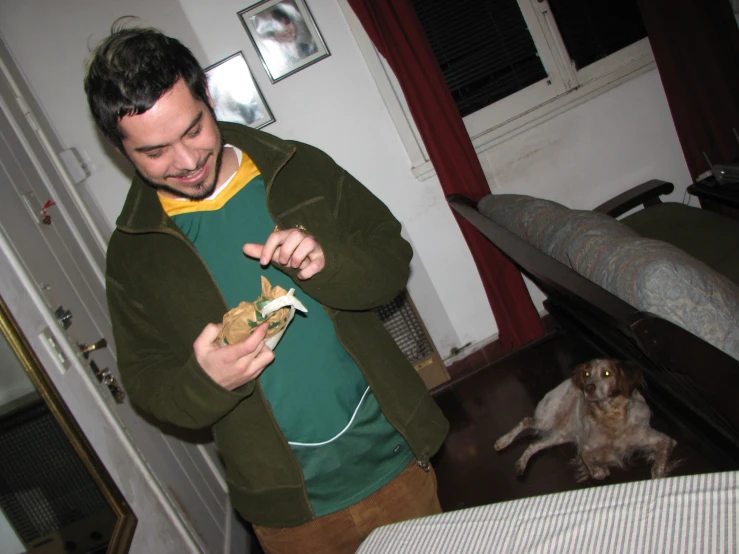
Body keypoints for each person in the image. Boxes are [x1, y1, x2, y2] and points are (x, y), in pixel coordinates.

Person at [84, 21, 449, 554]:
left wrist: (330, 264)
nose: (186, 162)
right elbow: (146, 382)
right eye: (154, 151)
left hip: (397, 459)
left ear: (207, 97)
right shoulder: (133, 253)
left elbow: (391, 259)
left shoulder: (297, 167)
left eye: (193, 130)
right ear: (121, 150)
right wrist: (205, 380)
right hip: (290, 517)